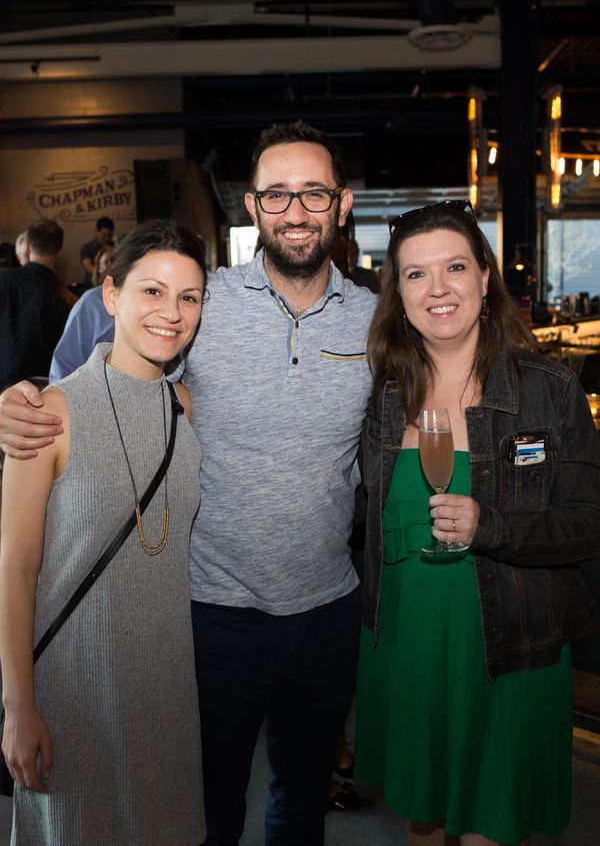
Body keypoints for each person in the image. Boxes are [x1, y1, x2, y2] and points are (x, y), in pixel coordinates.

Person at [0, 122, 377, 846]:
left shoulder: (375, 318)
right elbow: (108, 375)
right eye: (276, 194)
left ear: (342, 203)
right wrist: (18, 400)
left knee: (302, 807)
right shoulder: (206, 300)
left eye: (314, 193)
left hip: (329, 607)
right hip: (213, 615)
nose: (296, 210)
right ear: (252, 206)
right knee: (205, 814)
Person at [354, 200, 600, 846]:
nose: (438, 289)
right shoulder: (382, 394)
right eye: (416, 274)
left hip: (512, 649)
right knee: (424, 820)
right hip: (408, 646)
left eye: (455, 267)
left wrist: (491, 525)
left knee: (491, 826)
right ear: (398, 293)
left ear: (485, 278)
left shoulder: (549, 389)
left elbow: (587, 524)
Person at [0, 219, 207, 845]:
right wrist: (18, 706)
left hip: (167, 684)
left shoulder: (185, 408)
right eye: (152, 291)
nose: (171, 312)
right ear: (111, 295)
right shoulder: (48, 414)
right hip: (74, 688)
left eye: (189, 296)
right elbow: (15, 569)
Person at [0, 219, 74, 391]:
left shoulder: (3, 280)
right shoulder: (64, 297)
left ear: (26, 246)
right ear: (60, 251)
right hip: (39, 391)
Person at [49, 243, 115, 383]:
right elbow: (64, 366)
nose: (112, 266)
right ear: (98, 267)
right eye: (107, 262)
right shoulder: (91, 302)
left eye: (115, 261)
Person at [80, 216, 114, 284]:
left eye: (110, 235)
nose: (107, 238)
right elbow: (87, 266)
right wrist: (104, 274)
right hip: (91, 284)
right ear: (97, 231)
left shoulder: (115, 246)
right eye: (104, 235)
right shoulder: (87, 248)